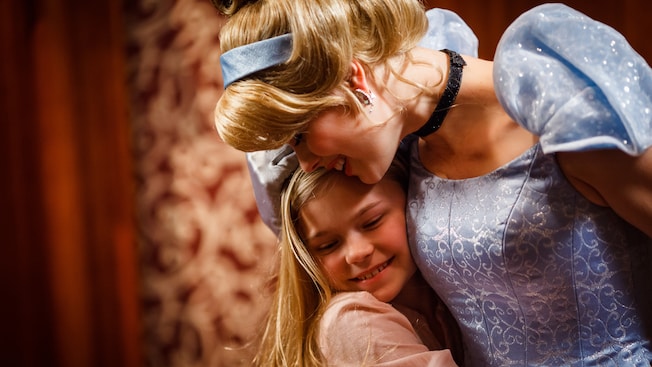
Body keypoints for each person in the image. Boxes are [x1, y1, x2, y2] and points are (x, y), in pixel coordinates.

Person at [211, 0, 652, 365]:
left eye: (302, 135)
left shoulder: (557, 104)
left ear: (353, 77)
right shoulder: (401, 157)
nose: (304, 163)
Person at [255, 157, 463, 366]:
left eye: (372, 222)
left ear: (412, 201)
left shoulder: (454, 284)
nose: (357, 253)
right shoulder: (351, 319)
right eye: (328, 245)